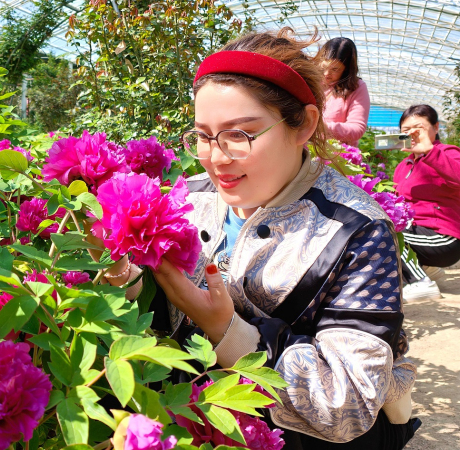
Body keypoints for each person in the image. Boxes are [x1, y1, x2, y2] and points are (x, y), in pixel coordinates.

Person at [99, 28, 418, 449]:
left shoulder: (354, 230)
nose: (216, 157)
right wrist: (128, 278)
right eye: (202, 135)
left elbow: (350, 405)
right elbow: (164, 318)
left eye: (240, 134)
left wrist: (228, 331)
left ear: (303, 125)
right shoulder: (192, 198)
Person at [393, 104, 460, 302]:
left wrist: (430, 151)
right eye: (406, 131)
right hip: (419, 233)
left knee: (390, 234)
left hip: (444, 237)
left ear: (436, 127)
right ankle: (426, 268)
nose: (411, 134)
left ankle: (420, 282)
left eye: (418, 129)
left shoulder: (448, 153)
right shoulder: (404, 165)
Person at [318, 37, 370, 147]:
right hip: (304, 150)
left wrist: (320, 127)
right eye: (324, 66)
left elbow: (357, 129)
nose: (327, 73)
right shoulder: (310, 81)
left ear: (346, 70)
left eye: (335, 69)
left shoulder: (356, 87)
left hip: (336, 155)